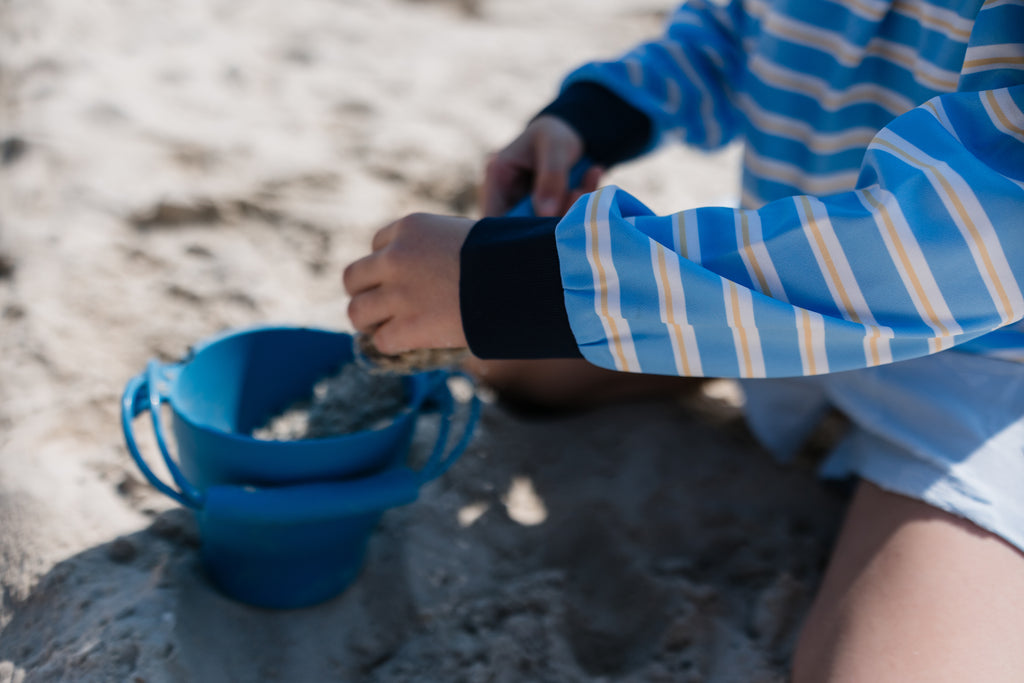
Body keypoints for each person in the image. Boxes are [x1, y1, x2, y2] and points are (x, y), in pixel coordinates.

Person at [344, 0, 1024, 679]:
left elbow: (980, 233)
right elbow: (732, 31)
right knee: (507, 363)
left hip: (983, 374)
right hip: (776, 284)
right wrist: (598, 115)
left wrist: (520, 281)